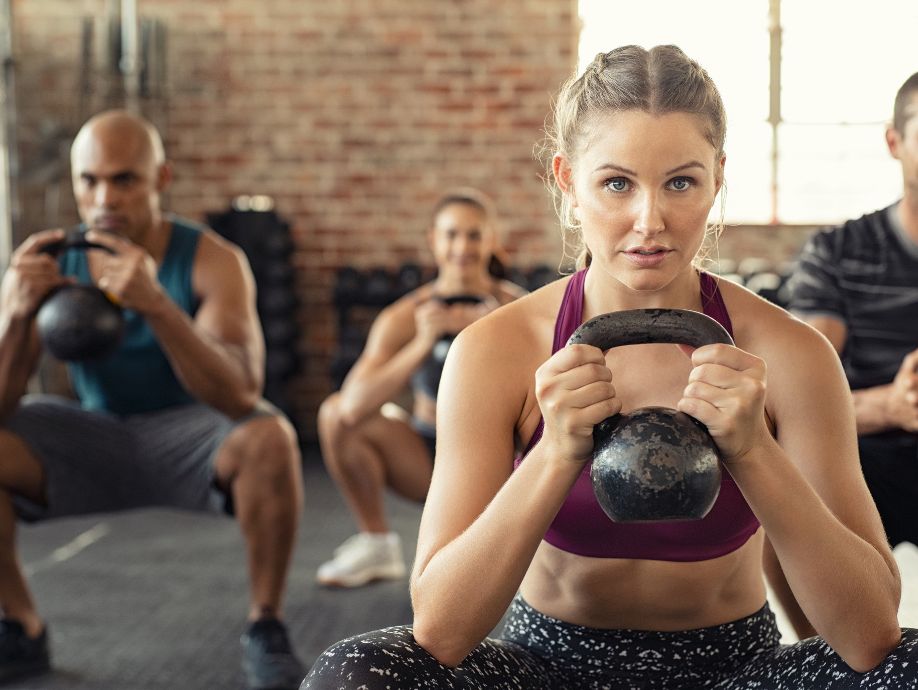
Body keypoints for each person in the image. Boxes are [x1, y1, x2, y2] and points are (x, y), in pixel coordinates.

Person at [301, 45, 918, 690]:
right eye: (616, 183)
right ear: (569, 182)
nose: (648, 222)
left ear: (717, 179)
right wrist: (553, 453)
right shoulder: (497, 350)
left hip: (736, 670)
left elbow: (873, 635)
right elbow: (442, 629)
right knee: (355, 674)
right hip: (544, 668)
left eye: (681, 181)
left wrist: (755, 450)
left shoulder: (790, 353)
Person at [0, 110, 305, 689]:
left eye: (124, 180)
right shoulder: (48, 264)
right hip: (90, 436)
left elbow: (242, 393)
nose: (104, 198)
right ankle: (20, 625)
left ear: (161, 179)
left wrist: (159, 305)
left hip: (190, 436)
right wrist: (16, 316)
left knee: (271, 436)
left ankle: (266, 624)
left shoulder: (213, 260)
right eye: (89, 181)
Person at [765, 71, 918, 641]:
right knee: (779, 467)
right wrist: (893, 405)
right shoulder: (838, 252)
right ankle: (821, 655)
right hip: (865, 453)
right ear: (894, 142)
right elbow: (789, 403)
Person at [316, 189, 525, 588]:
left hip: (501, 460)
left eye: (473, 235)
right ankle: (376, 544)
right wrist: (421, 343)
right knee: (332, 413)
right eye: (451, 235)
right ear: (433, 239)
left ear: (492, 239)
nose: (461, 247)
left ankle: (539, 548)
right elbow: (351, 407)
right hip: (427, 455)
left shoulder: (517, 309)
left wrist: (494, 335)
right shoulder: (405, 316)